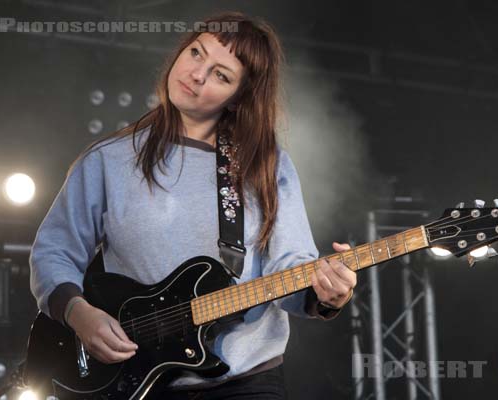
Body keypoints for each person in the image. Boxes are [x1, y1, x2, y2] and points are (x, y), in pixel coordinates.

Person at [29, 11, 357, 400]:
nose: (197, 74)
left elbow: (288, 268)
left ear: (239, 98)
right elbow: (53, 252)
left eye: (222, 75)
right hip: (134, 379)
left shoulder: (265, 164)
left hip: (246, 381)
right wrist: (77, 313)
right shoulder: (107, 160)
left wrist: (325, 294)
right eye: (196, 53)